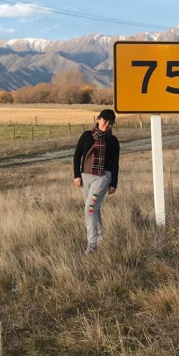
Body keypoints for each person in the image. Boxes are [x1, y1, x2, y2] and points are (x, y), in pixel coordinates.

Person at [73, 108, 120, 254]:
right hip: (85, 177)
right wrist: (76, 175)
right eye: (105, 121)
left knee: (90, 209)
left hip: (102, 178)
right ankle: (100, 241)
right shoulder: (87, 135)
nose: (107, 125)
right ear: (99, 119)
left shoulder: (113, 141)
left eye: (110, 123)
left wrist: (113, 183)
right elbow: (77, 155)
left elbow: (115, 163)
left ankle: (92, 244)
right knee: (95, 209)